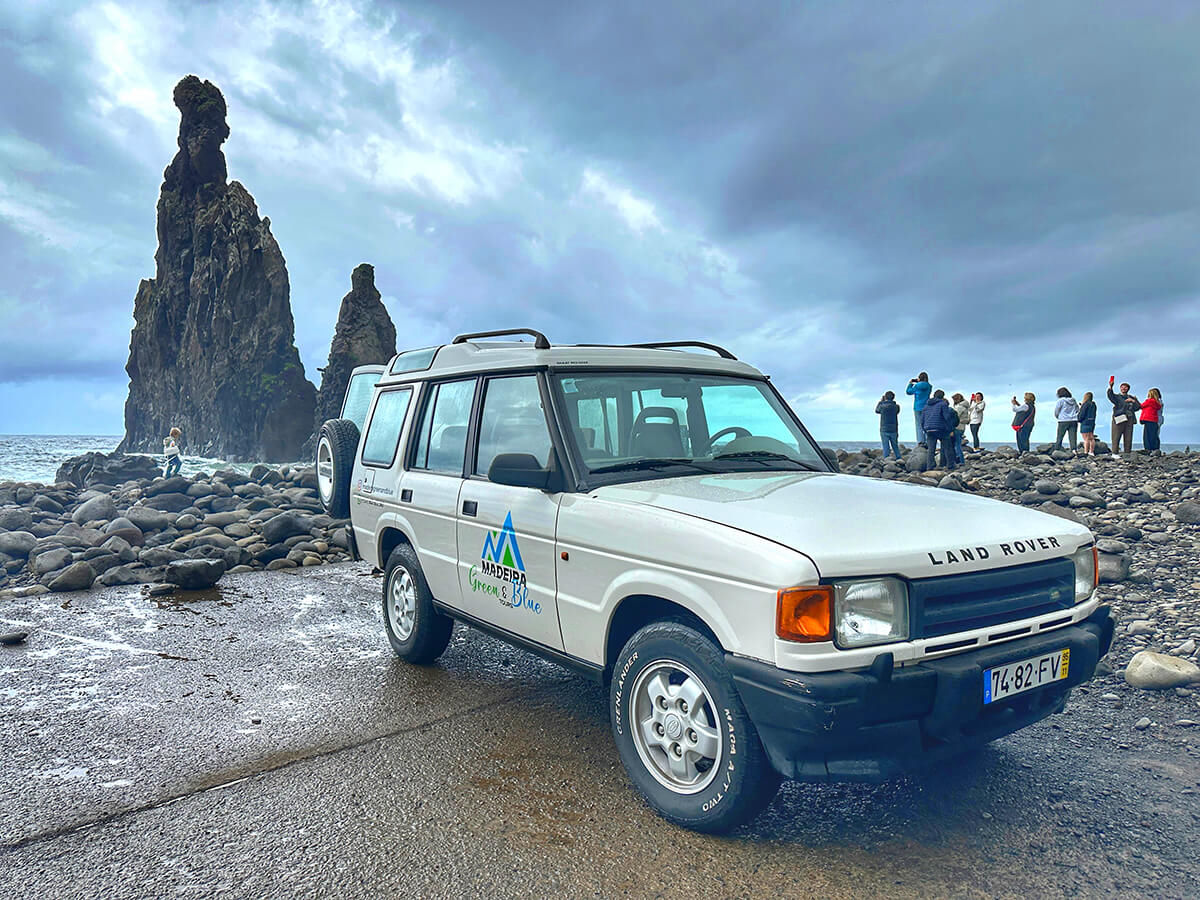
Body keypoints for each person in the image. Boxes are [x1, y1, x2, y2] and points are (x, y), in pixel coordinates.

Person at [920, 389, 957, 471]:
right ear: (942, 396)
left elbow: (922, 419)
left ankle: (929, 467)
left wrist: (924, 429)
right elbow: (946, 417)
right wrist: (950, 429)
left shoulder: (926, 406)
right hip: (941, 429)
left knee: (931, 449)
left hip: (929, 429)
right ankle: (950, 465)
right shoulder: (943, 404)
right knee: (947, 447)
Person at [1106, 377, 1140, 455]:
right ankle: (1114, 453)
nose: (1124, 388)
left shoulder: (1131, 397)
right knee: (1116, 436)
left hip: (1130, 419)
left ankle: (1127, 453)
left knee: (1128, 437)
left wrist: (1133, 401)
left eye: (1125, 387)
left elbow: (1138, 407)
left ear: (1128, 389)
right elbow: (1110, 396)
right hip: (1119, 418)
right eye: (1122, 387)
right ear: (1120, 388)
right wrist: (1111, 387)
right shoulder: (1117, 397)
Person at [906, 373, 932, 446]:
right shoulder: (929, 386)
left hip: (917, 407)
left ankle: (921, 441)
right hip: (927, 407)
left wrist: (910, 383)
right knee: (926, 424)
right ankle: (928, 441)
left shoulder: (917, 386)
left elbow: (908, 392)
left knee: (918, 425)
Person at [876, 391, 901, 460]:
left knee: (885, 446)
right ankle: (899, 458)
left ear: (885, 397)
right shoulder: (896, 406)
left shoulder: (882, 406)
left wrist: (881, 401)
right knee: (895, 446)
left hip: (884, 429)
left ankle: (887, 459)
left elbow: (877, 410)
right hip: (894, 429)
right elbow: (897, 411)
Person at [950, 392, 970, 465]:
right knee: (957, 444)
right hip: (961, 427)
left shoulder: (960, 407)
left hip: (958, 427)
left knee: (957, 444)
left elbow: (954, 416)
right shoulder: (964, 407)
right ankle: (960, 460)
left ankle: (960, 460)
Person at [1078, 391, 1098, 456]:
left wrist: (1079, 419)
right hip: (1092, 422)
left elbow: (1082, 414)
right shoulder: (1094, 405)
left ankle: (1086, 451)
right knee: (1091, 438)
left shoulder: (1085, 404)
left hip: (1085, 422)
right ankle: (1091, 451)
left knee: (1086, 438)